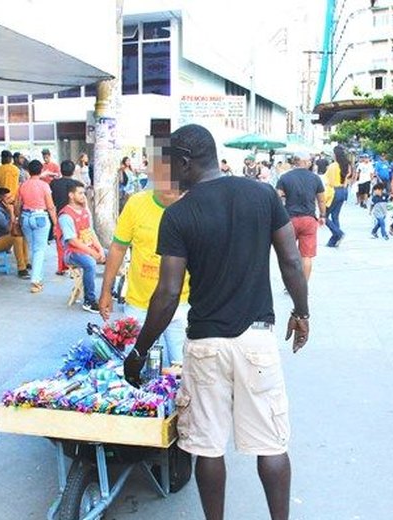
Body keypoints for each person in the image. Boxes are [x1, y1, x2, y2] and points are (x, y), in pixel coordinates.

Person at [123, 124, 309, 520]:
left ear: (186, 161)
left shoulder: (178, 215)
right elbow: (291, 261)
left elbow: (168, 294)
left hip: (205, 344)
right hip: (257, 339)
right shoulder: (262, 194)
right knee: (271, 444)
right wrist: (301, 311)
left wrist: (139, 350)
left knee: (207, 447)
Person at [98, 161, 191, 368]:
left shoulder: (194, 206)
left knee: (185, 372)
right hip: (139, 306)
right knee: (137, 370)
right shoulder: (136, 204)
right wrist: (106, 290)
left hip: (182, 304)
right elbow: (118, 248)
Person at [276, 152, 326, 280]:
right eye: (309, 161)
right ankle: (303, 287)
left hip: (289, 220)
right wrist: (322, 215)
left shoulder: (285, 177)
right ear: (305, 162)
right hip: (309, 220)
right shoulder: (315, 178)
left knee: (289, 255)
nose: (311, 163)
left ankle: (290, 285)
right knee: (306, 256)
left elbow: (277, 198)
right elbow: (321, 200)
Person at [58, 184, 106, 313]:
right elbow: (72, 241)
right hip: (71, 253)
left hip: (87, 248)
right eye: (80, 193)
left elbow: (91, 232)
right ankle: (89, 301)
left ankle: (110, 292)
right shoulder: (65, 215)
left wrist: (100, 249)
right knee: (90, 263)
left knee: (112, 255)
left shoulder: (85, 212)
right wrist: (93, 253)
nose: (83, 196)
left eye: (84, 193)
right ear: (71, 195)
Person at [15, 160, 58, 293]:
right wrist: (56, 223)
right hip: (40, 217)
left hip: (26, 218)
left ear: (28, 171)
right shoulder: (44, 186)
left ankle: (37, 275)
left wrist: (17, 216)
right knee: (39, 250)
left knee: (34, 248)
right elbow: (50, 206)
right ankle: (36, 280)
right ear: (41, 171)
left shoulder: (23, 185)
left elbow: (17, 204)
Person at [0, 187, 30, 278]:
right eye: (8, 198)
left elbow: (17, 225)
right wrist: (11, 212)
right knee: (16, 237)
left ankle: (26, 262)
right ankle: (21, 269)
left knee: (22, 234)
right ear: (1, 201)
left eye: (11, 197)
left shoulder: (6, 209)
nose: (11, 200)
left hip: (1, 239)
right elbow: (8, 229)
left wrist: (16, 210)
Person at [51, 160, 85, 276]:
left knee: (61, 242)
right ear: (73, 171)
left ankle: (62, 267)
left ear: (61, 169)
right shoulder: (77, 185)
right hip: (74, 215)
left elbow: (52, 201)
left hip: (60, 214)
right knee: (75, 240)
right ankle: (76, 266)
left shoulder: (54, 183)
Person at [323, 145, 352, 248]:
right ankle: (334, 240)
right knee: (335, 216)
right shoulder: (345, 165)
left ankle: (338, 233)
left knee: (324, 216)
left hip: (333, 191)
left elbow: (328, 180)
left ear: (335, 154)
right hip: (342, 191)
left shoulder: (333, 166)